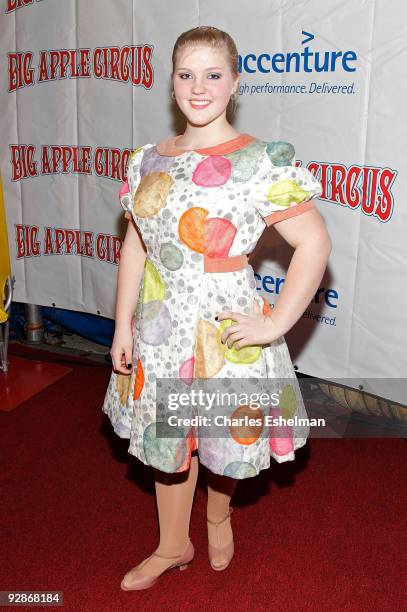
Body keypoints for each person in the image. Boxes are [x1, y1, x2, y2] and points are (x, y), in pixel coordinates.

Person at [102, 26, 332, 590]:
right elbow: (137, 245)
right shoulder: (147, 159)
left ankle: (218, 513)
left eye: (212, 75)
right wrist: (122, 324)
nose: (198, 87)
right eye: (186, 74)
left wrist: (276, 322)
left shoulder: (260, 161)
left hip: (225, 324)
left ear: (234, 83)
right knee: (168, 438)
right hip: (160, 324)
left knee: (222, 434)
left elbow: (315, 243)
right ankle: (173, 545)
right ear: (172, 83)